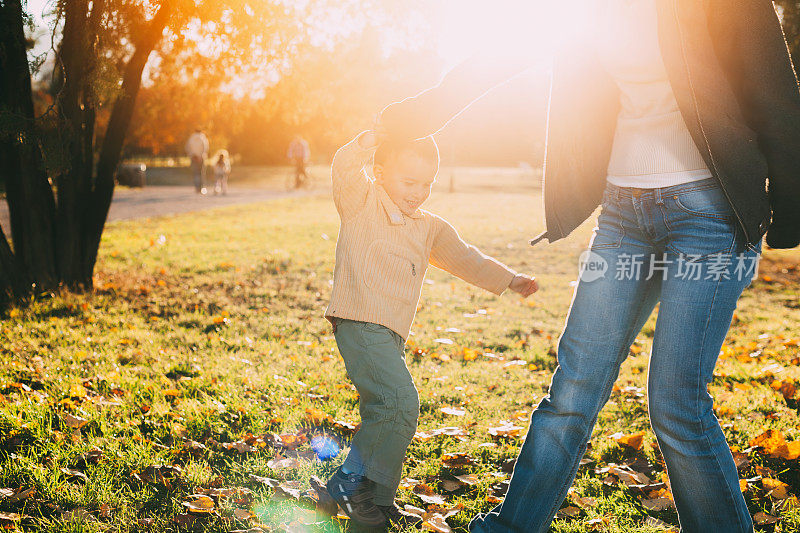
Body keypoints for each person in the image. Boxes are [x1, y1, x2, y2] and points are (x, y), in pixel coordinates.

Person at [378, 1, 800, 532]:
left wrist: (784, 210)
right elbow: (501, 54)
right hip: (625, 212)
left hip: (710, 212)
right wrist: (417, 115)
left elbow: (774, 91)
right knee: (573, 389)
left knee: (677, 402)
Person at [323, 128, 539, 529]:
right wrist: (375, 134)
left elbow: (466, 258)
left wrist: (509, 278)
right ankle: (361, 495)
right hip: (359, 322)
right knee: (401, 402)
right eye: (409, 182)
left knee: (386, 410)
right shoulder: (361, 200)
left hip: (390, 335)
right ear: (380, 171)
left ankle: (358, 491)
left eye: (427, 183)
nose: (418, 192)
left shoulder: (429, 226)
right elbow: (343, 167)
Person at [185, 128, 210, 194]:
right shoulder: (203, 138)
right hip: (201, 158)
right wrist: (201, 156)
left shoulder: (191, 138)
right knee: (201, 173)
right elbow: (205, 148)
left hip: (193, 158)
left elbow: (187, 147)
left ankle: (197, 188)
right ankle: (202, 188)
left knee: (195, 173)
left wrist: (192, 155)